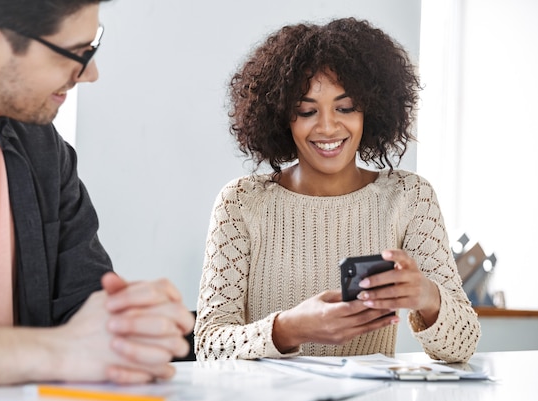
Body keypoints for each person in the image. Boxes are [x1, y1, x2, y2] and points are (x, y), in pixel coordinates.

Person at [0, 0, 194, 387]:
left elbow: (83, 306)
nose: (90, 73)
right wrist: (57, 351)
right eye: (78, 54)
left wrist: (128, 324)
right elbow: (70, 346)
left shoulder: (43, 149)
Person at [194, 17, 481, 363]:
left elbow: (462, 347)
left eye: (345, 108)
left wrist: (428, 297)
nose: (328, 127)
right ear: (283, 116)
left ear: (371, 111)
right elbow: (209, 346)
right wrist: (290, 328)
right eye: (306, 110)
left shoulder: (409, 197)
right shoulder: (240, 203)